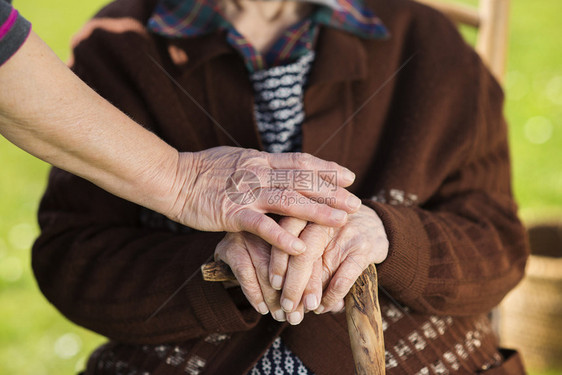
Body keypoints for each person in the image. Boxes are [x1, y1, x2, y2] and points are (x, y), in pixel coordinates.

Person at [32, 0, 530, 373]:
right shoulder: (117, 49)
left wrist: (385, 235)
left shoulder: (430, 43)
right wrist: (216, 265)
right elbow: (72, 257)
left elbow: (498, 243)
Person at [0, 0, 362, 254]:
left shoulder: (414, 32)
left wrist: (389, 235)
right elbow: (72, 249)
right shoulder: (116, 42)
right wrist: (208, 255)